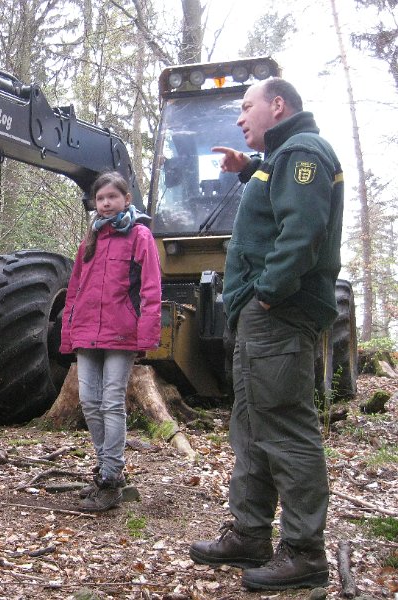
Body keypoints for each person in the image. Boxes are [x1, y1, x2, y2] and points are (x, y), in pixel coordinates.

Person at [189, 78, 344, 591]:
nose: (240, 118)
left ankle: (303, 551)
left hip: (278, 312)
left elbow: (303, 229)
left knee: (284, 426)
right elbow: (281, 201)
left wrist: (269, 292)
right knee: (252, 425)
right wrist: (248, 168)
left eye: (246, 107)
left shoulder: (304, 152)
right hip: (259, 315)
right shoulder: (279, 160)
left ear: (278, 105)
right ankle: (249, 534)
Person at [60, 171, 161, 512]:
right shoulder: (88, 241)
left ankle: (111, 478)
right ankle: (106, 471)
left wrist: (146, 335)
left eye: (112, 197)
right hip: (87, 332)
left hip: (122, 333)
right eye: (100, 198)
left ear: (126, 199)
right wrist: (68, 333)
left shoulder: (140, 236)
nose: (105, 203)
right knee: (89, 401)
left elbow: (150, 288)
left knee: (111, 401)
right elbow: (74, 292)